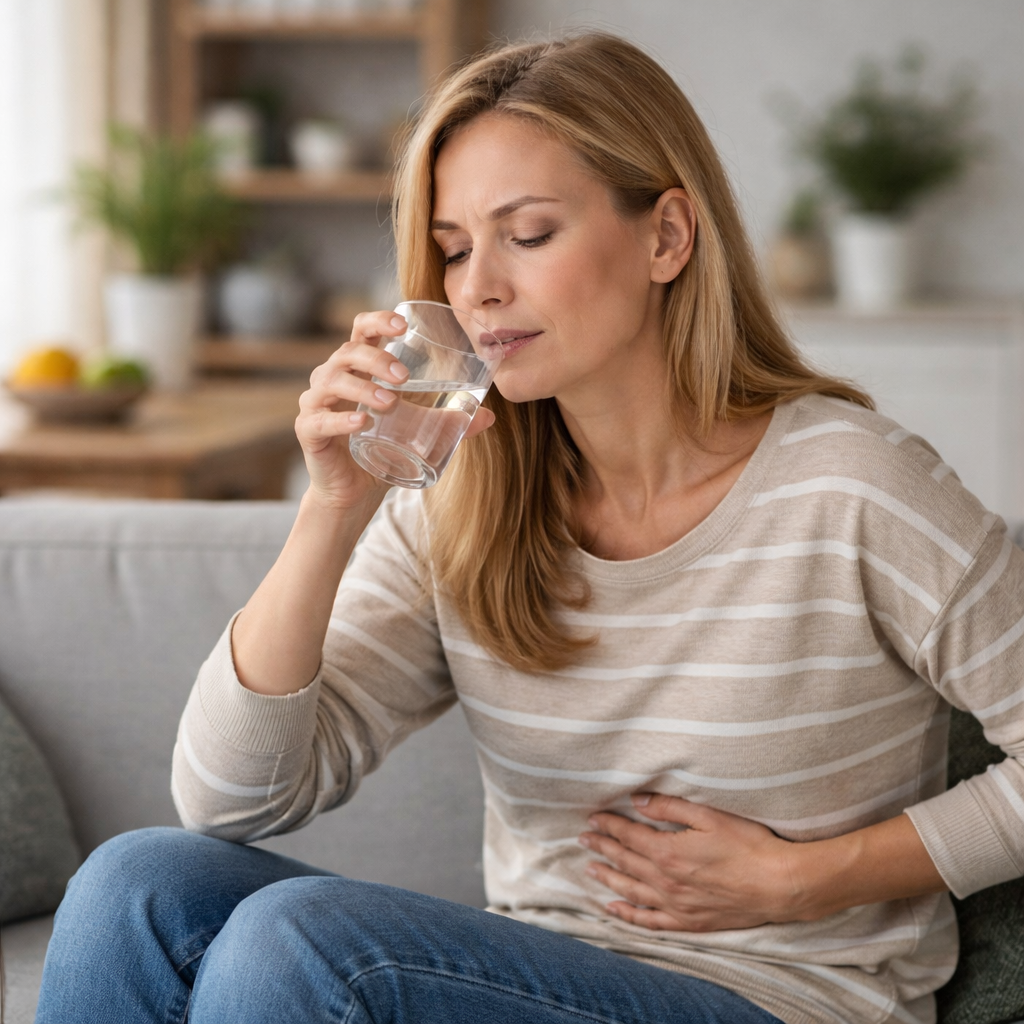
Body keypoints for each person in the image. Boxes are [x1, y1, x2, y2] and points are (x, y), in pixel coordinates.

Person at [37, 33, 1024, 1024]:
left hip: (783, 1003)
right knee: (139, 884)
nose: (477, 288)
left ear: (666, 237)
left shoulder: (853, 484)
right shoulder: (461, 498)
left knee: (297, 943)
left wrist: (804, 880)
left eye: (530, 234)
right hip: (534, 980)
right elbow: (230, 802)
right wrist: (334, 505)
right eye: (456, 248)